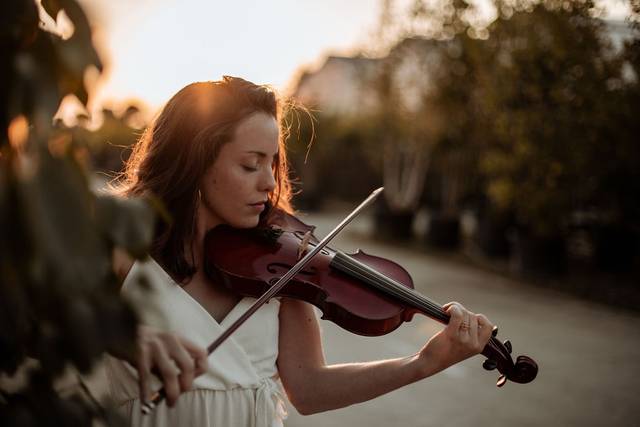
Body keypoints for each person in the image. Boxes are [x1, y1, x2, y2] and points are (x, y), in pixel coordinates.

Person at [106, 76, 494, 427]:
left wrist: (423, 363)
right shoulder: (123, 246)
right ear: (193, 163)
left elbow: (308, 389)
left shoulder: (283, 262)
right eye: (249, 165)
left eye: (273, 162)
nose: (269, 182)